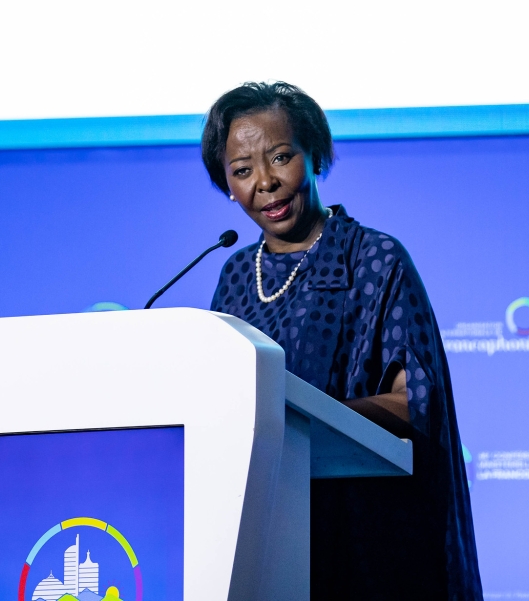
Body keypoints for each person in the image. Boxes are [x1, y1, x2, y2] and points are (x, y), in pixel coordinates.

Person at [204, 82, 482, 600]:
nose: (265, 182)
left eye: (281, 157)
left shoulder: (375, 259)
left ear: (314, 155)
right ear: (227, 185)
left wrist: (303, 420)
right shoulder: (236, 275)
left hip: (365, 532)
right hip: (268, 529)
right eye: (241, 170)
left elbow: (414, 403)